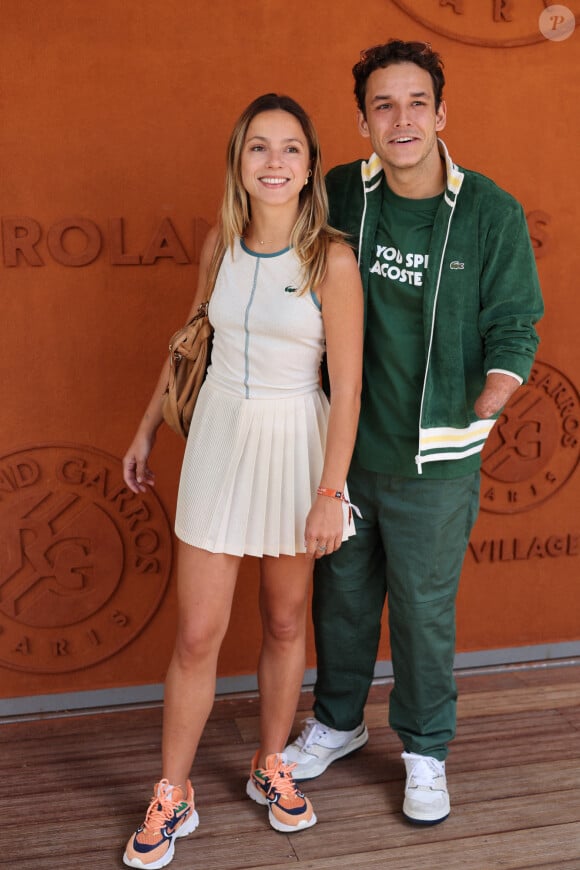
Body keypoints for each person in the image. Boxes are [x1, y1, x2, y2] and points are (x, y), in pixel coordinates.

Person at [285, 40, 543, 826]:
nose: (402, 119)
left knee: (424, 614)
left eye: (416, 103)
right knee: (343, 601)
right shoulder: (339, 196)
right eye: (384, 106)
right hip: (343, 450)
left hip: (435, 459)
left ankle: (426, 750)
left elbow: (515, 319)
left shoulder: (488, 211)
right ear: (363, 119)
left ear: (441, 113)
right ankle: (337, 721)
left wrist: (497, 387)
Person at [121, 92, 363, 868]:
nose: (274, 163)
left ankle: (269, 764)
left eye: (290, 149)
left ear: (310, 165)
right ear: (239, 161)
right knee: (197, 633)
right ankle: (173, 791)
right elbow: (191, 341)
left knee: (287, 622)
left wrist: (331, 492)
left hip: (297, 441)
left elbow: (350, 387)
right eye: (259, 147)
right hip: (220, 440)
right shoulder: (220, 244)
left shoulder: (332, 257)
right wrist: (148, 425)